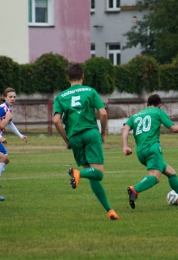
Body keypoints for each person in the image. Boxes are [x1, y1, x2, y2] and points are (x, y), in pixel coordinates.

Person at [53, 63, 119, 220]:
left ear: (68, 78)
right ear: (83, 76)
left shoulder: (60, 97)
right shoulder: (90, 91)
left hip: (74, 136)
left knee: (92, 174)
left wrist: (67, 140)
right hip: (90, 132)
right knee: (99, 174)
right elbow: (103, 113)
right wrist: (103, 133)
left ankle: (109, 210)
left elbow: (56, 121)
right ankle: (78, 173)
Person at [122, 94, 178, 209]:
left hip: (140, 152)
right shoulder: (157, 112)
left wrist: (125, 146)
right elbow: (173, 128)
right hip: (153, 149)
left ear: (147, 104)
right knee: (155, 177)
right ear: (159, 105)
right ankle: (135, 189)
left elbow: (125, 128)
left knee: (171, 172)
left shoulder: (135, 116)